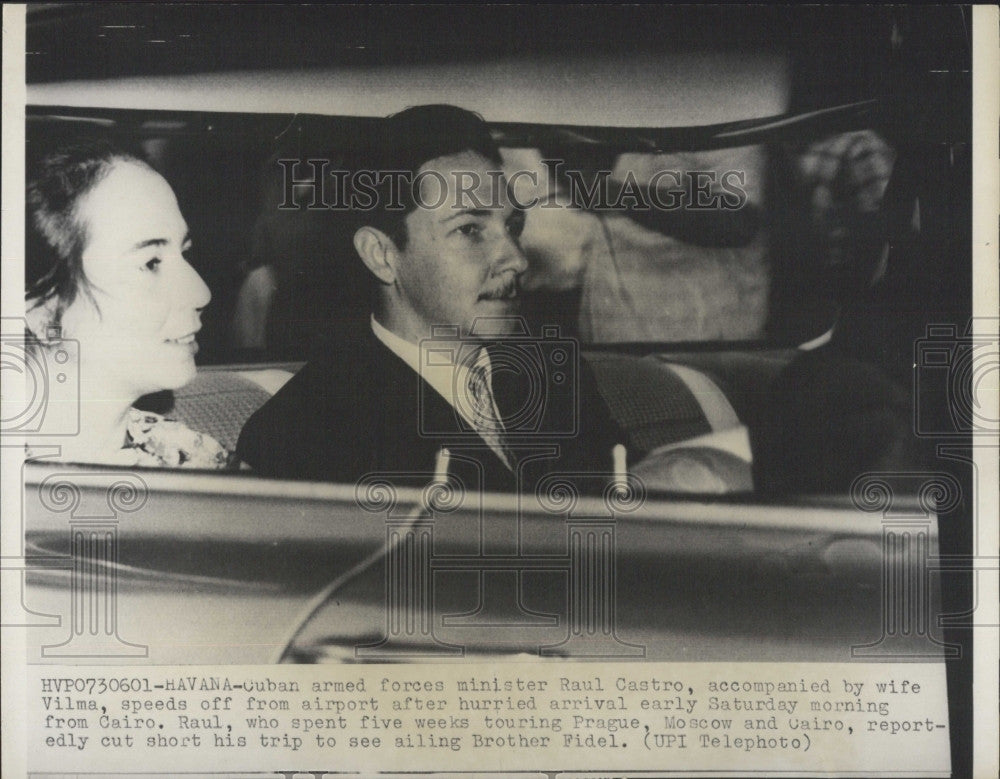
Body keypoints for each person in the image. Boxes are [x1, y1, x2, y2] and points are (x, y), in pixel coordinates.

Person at [236, 105, 631, 493]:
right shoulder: (307, 430)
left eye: (512, 226)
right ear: (382, 255)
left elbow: (632, 503)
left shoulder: (552, 373)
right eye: (470, 230)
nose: (517, 258)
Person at [25, 140, 231, 468]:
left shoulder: (194, 459)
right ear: (43, 310)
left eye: (184, 252)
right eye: (151, 262)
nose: (201, 293)